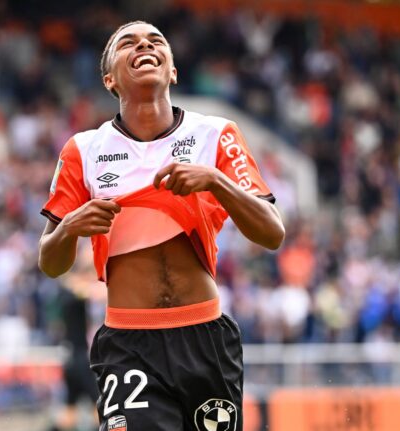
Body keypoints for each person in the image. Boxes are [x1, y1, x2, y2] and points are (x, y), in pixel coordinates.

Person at [38, 21, 285, 431]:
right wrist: (70, 228)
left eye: (156, 41)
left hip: (206, 340)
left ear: (172, 70)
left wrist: (215, 181)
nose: (144, 46)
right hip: (130, 347)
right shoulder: (83, 150)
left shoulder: (217, 134)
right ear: (109, 79)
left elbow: (272, 232)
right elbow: (50, 262)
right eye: (127, 44)